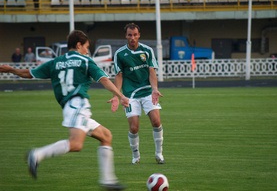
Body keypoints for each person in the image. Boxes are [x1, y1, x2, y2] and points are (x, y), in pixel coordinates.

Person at [0, 30, 129, 190]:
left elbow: (29, 73)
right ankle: (37, 154)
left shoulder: (55, 62)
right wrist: (120, 95)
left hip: (71, 107)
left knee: (106, 136)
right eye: (86, 47)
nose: (87, 51)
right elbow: (103, 79)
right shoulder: (85, 61)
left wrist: (11, 70)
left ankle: (108, 180)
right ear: (78, 45)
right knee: (76, 144)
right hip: (77, 105)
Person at [111, 23, 165, 165]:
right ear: (126, 36)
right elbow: (119, 75)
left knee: (156, 121)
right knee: (134, 127)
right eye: (130, 35)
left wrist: (154, 89)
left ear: (139, 35)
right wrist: (117, 95)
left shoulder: (147, 51)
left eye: (135, 35)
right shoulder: (120, 54)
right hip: (130, 95)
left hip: (147, 92)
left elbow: (151, 71)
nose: (133, 38)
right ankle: (136, 156)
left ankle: (159, 154)